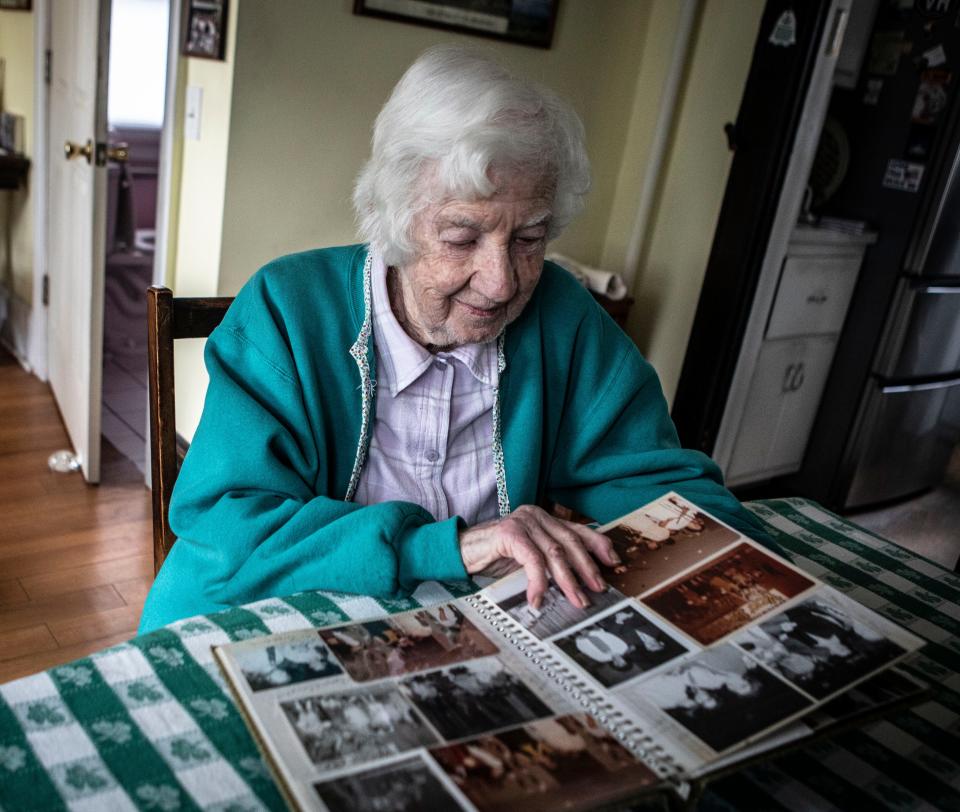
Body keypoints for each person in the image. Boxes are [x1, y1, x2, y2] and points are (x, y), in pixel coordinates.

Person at [139, 45, 774, 633]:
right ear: (393, 217)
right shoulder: (287, 307)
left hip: (465, 634)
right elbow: (227, 528)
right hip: (267, 618)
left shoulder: (562, 317)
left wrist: (758, 566)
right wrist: (449, 546)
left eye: (529, 238)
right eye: (463, 237)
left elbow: (660, 488)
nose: (501, 284)